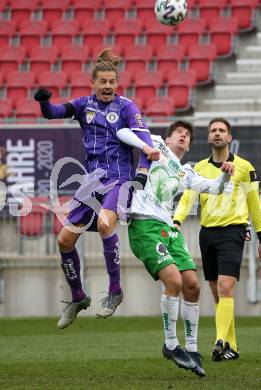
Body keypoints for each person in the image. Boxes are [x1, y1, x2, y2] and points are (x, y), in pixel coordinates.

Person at [34, 48, 159, 328]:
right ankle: (78, 297)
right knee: (64, 240)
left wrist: (142, 174)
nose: (107, 86)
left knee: (105, 224)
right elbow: (53, 113)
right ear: (93, 83)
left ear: (117, 83)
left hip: (120, 180)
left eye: (111, 82)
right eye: (102, 82)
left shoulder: (127, 108)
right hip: (92, 182)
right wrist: (44, 103)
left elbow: (147, 145)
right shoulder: (83, 105)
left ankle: (115, 290)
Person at [128, 120, 235, 376]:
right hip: (144, 226)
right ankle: (170, 344)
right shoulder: (154, 144)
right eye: (179, 133)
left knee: (192, 285)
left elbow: (215, 188)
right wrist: (144, 146)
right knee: (173, 281)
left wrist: (225, 174)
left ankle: (192, 347)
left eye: (187, 135)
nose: (183, 137)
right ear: (169, 136)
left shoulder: (185, 171)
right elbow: (127, 132)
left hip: (169, 230)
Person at [173, 117, 261, 361]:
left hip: (232, 232)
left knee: (226, 288)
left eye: (222, 130)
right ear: (208, 137)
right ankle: (232, 346)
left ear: (229, 138)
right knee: (218, 294)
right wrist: (176, 221)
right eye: (213, 130)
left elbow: (254, 206)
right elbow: (187, 199)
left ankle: (219, 342)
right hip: (207, 234)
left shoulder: (245, 168)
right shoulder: (199, 169)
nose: (217, 133)